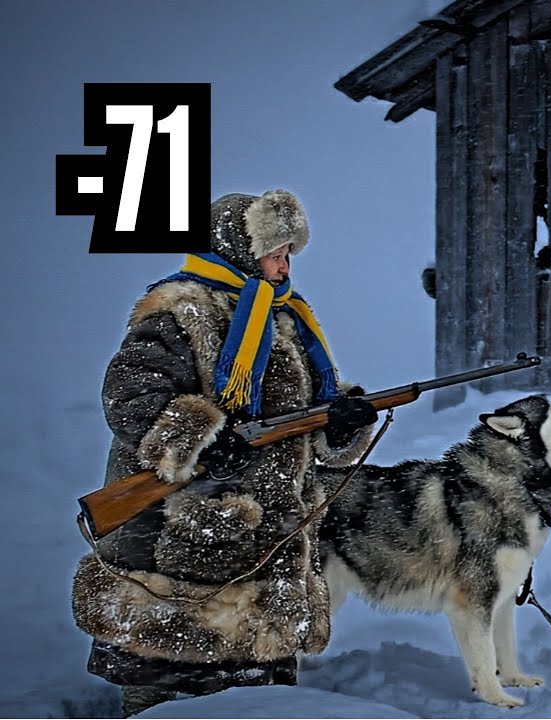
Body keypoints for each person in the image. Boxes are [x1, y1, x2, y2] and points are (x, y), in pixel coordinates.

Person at [70, 189, 379, 716]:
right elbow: (130, 397)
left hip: (266, 535)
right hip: (181, 530)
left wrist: (343, 419)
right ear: (239, 247)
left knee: (253, 698)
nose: (284, 267)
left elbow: (303, 422)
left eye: (288, 255)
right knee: (167, 687)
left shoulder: (284, 320)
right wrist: (207, 442)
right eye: (275, 253)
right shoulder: (178, 310)